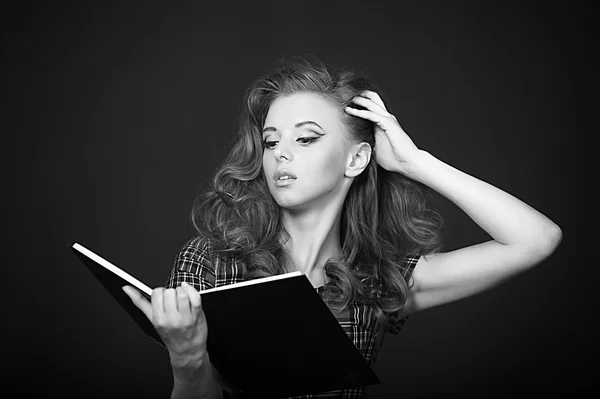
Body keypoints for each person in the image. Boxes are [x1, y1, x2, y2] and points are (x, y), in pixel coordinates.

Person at [123, 56, 562, 399]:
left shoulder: (379, 282)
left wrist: (415, 162)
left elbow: (537, 240)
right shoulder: (210, 262)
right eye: (272, 141)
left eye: (306, 138)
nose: (281, 155)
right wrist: (186, 358)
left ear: (356, 159)